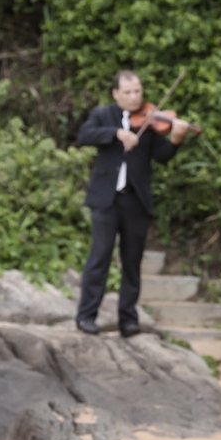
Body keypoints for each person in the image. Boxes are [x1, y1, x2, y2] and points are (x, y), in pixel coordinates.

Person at [74, 70, 189, 338]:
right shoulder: (103, 115)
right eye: (128, 92)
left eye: (138, 91)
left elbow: (161, 156)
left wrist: (176, 140)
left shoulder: (151, 120)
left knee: (132, 261)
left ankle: (128, 319)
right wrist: (116, 134)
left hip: (135, 200)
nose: (135, 97)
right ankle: (86, 316)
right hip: (106, 199)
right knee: (99, 257)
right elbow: (85, 135)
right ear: (116, 94)